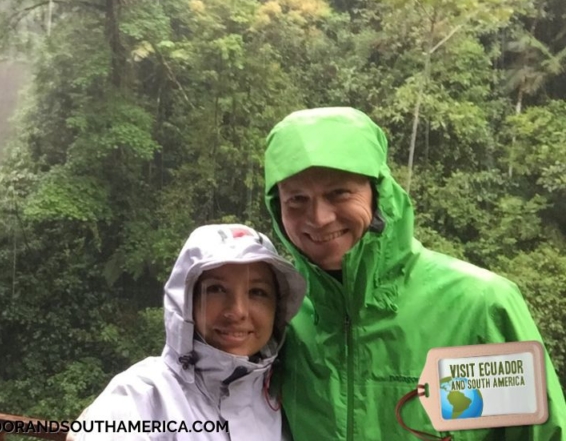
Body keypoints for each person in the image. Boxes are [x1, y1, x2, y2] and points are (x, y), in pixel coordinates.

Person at [263, 106, 566, 440]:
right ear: (277, 209)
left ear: (379, 194)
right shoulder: (277, 317)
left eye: (339, 193)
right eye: (297, 200)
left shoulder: (479, 308)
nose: (318, 217)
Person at [67, 224, 306, 440]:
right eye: (216, 289)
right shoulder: (143, 396)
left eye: (257, 292)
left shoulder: (289, 398)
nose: (237, 311)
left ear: (278, 307)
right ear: (186, 301)